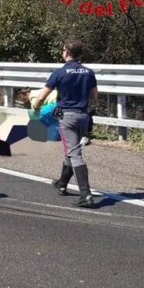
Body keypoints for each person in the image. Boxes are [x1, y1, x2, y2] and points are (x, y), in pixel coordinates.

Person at [32, 39, 98, 208]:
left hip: (67, 117)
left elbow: (41, 96)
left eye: (63, 50)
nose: (62, 53)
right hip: (84, 116)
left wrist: (36, 108)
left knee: (74, 153)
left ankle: (86, 194)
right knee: (71, 148)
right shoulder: (89, 72)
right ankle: (62, 183)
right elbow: (94, 97)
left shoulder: (59, 72)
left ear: (67, 53)